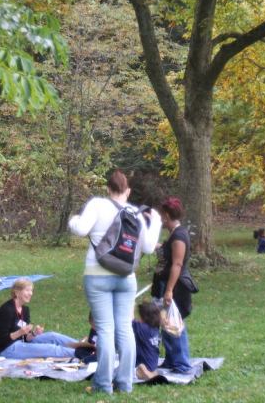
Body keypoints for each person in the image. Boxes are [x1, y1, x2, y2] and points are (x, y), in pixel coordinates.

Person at [68, 169, 162, 394]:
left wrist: (73, 220)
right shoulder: (136, 213)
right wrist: (156, 221)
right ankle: (124, 383)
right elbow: (149, 247)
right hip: (126, 278)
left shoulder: (97, 204)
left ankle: (103, 384)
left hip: (97, 275)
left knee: (105, 329)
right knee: (125, 330)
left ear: (108, 188)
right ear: (127, 191)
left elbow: (80, 230)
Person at [153, 197, 195, 374]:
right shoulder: (173, 234)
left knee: (174, 324)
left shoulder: (179, 236)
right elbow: (167, 251)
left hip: (175, 287)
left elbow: (177, 264)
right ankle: (171, 360)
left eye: (162, 214)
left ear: (167, 215)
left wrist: (169, 290)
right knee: (165, 323)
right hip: (163, 284)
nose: (161, 218)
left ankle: (182, 364)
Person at [0, 278, 77, 359]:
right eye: (27, 290)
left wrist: (34, 333)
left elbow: (25, 338)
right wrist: (19, 332)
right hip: (6, 349)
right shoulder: (6, 310)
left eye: (31, 290)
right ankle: (82, 354)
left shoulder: (25, 310)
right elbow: (0, 340)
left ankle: (85, 346)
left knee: (52, 336)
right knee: (50, 349)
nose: (31, 293)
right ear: (17, 292)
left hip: (21, 343)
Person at [133, 301, 161, 380]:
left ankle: (140, 372)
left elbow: (129, 320)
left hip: (143, 364)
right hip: (153, 365)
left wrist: (131, 304)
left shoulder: (142, 328)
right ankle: (151, 373)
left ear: (144, 317)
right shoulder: (155, 329)